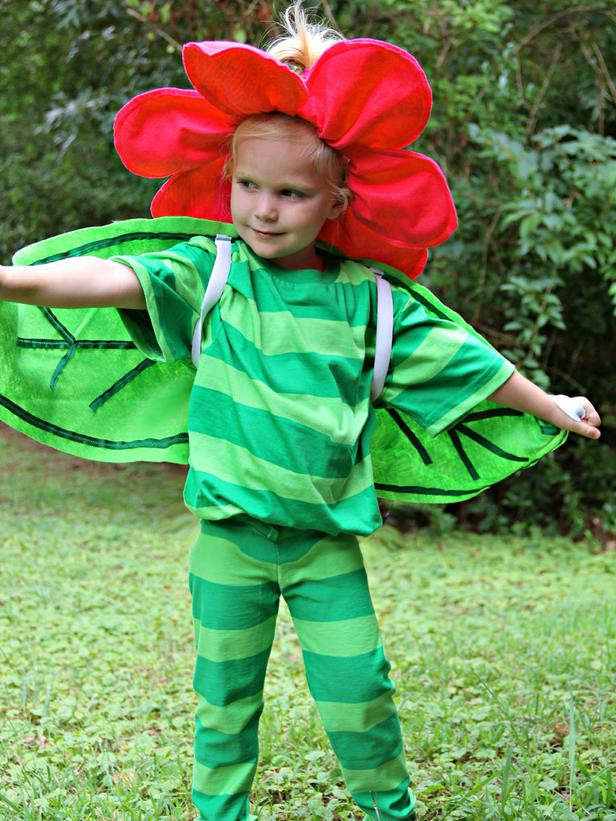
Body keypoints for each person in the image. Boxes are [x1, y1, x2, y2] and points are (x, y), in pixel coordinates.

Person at [0, 5, 601, 820]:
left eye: (291, 192)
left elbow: (473, 367)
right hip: (229, 543)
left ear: (336, 200)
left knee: (360, 692)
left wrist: (551, 403)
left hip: (325, 548)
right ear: (228, 185)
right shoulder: (210, 276)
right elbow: (106, 281)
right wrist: (12, 279)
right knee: (224, 700)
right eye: (249, 186)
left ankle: (390, 807)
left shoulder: (370, 304)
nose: (265, 209)